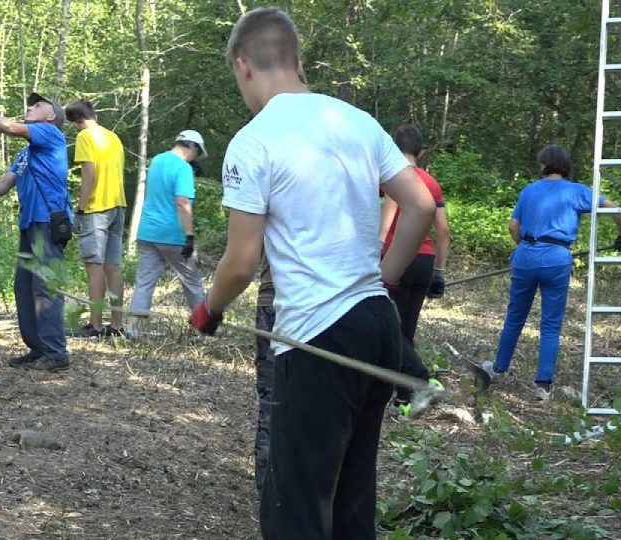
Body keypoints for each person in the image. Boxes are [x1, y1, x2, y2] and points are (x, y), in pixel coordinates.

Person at [187, 8, 436, 539]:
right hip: (377, 327)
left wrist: (209, 309)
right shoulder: (356, 121)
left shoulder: (254, 141)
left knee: (295, 511)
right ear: (297, 61)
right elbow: (417, 203)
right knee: (351, 503)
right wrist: (382, 283)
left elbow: (241, 262)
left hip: (318, 339)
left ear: (243, 66)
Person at [483, 144, 621, 401]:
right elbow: (616, 208)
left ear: (544, 165)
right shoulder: (576, 191)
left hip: (527, 255)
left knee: (515, 318)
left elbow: (512, 226)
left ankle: (497, 369)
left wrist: (525, 247)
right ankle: (543, 386)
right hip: (557, 258)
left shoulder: (529, 190)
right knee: (550, 324)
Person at [0, 93, 73, 372]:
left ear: (51, 116)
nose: (30, 107)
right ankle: (39, 349)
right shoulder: (25, 155)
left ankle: (57, 353)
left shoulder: (52, 135)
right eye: (30, 104)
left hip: (48, 222)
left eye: (38, 105)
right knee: (24, 287)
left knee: (46, 289)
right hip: (29, 223)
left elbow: (10, 127)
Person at [379, 123, 451, 416]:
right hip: (424, 261)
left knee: (390, 330)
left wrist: (379, 256)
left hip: (399, 259)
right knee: (405, 329)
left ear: (394, 150)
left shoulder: (395, 178)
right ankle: (403, 399)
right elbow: (443, 231)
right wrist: (439, 272)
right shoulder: (431, 183)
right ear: (420, 152)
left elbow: (386, 226)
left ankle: (421, 382)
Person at [128, 130, 207, 325]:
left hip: (147, 231)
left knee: (145, 281)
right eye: (197, 153)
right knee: (192, 282)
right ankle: (204, 325)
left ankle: (133, 327)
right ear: (192, 147)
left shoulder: (156, 160)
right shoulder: (183, 168)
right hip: (172, 234)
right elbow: (182, 203)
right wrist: (189, 237)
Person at [64, 99, 128, 338]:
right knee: (113, 266)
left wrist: (80, 210)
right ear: (94, 115)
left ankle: (96, 325)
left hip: (96, 208)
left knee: (94, 266)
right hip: (118, 206)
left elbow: (89, 174)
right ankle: (117, 325)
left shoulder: (84, 137)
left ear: (76, 121)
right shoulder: (113, 137)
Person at [253, 256, 275, 495]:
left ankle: (269, 491)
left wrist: (211, 307)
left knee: (272, 399)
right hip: (335, 307)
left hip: (274, 306)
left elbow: (241, 266)